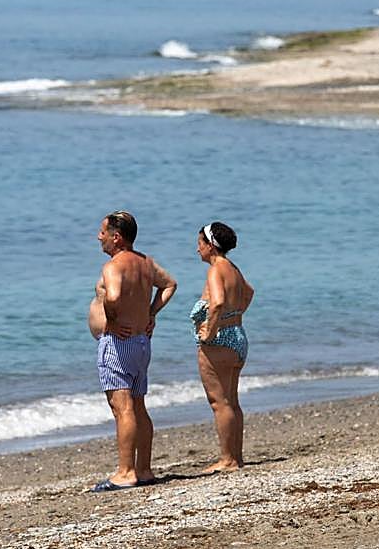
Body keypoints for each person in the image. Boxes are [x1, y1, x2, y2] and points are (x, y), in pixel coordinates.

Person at [87, 210, 177, 491]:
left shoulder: (113, 266)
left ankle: (125, 472)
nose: (99, 237)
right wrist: (151, 313)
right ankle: (144, 469)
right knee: (138, 406)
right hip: (140, 342)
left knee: (122, 408)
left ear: (116, 237)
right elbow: (169, 284)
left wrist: (112, 321)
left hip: (119, 344)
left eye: (103, 232)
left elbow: (113, 297)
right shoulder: (145, 262)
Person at [190, 221, 254, 473]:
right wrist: (235, 315)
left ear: (211, 246)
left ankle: (227, 459)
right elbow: (248, 292)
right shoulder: (232, 268)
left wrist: (210, 330)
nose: (197, 249)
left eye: (200, 243)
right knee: (232, 401)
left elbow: (216, 303)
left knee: (219, 402)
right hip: (237, 336)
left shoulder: (216, 269)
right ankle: (236, 457)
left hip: (219, 341)